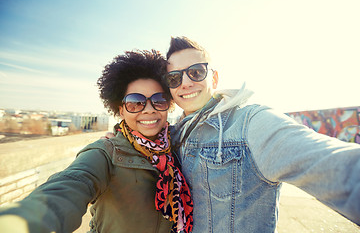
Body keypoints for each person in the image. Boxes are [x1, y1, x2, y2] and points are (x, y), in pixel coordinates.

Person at [162, 36, 360, 232]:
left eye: (196, 72)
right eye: (174, 78)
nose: (185, 83)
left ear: (213, 77)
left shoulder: (250, 122)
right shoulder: (170, 137)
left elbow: (332, 163)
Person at [0, 50, 193, 233]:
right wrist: (20, 223)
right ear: (121, 110)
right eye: (136, 102)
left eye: (159, 100)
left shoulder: (178, 145)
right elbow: (71, 184)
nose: (149, 109)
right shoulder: (105, 153)